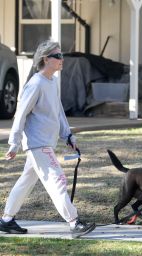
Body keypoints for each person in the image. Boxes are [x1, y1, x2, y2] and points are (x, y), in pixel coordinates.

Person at [0, 39, 95, 238]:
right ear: (46, 59)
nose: (62, 59)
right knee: (57, 180)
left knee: (26, 181)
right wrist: (14, 142)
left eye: (62, 55)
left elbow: (58, 112)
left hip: (45, 143)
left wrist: (67, 134)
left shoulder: (52, 82)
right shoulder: (35, 84)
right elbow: (21, 113)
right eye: (58, 56)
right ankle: (74, 222)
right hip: (37, 144)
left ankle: (7, 220)